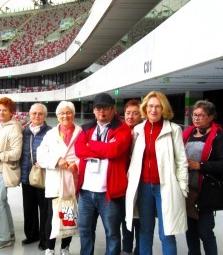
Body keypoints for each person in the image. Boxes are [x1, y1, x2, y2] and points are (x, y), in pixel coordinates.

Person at [125, 91, 188, 255]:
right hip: (144, 187)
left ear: (163, 109)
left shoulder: (174, 130)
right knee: (145, 231)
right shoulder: (138, 130)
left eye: (158, 106)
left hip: (165, 187)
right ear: (145, 108)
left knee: (167, 232)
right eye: (150, 106)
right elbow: (133, 158)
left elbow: (181, 161)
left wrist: (182, 188)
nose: (154, 110)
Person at [75, 93, 132, 255]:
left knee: (112, 233)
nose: (102, 112)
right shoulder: (86, 128)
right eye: (98, 108)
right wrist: (104, 148)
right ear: (93, 110)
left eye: (105, 108)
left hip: (109, 193)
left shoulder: (122, 129)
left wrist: (90, 145)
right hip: (86, 192)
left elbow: (114, 150)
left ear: (113, 109)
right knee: (85, 231)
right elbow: (79, 151)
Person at [183, 100, 223, 255]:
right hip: (187, 190)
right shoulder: (188, 133)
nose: (196, 118)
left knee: (205, 232)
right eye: (195, 115)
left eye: (201, 115)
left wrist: (200, 166)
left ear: (211, 117)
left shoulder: (219, 136)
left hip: (206, 191)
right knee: (190, 232)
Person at [37, 101, 82, 255]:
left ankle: (65, 247)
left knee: (68, 215)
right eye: (62, 113)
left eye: (68, 112)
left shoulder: (81, 132)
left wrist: (76, 164)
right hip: (55, 180)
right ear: (57, 116)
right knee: (52, 215)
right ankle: (50, 248)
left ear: (74, 114)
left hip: (71, 179)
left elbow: (87, 154)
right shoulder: (50, 134)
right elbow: (41, 155)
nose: (65, 116)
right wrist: (57, 160)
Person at [0, 97, 23, 249]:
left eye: (5, 110)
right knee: (2, 201)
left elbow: (16, 152)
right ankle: (9, 232)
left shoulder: (13, 127)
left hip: (3, 170)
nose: (1, 112)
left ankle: (4, 237)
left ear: (11, 112)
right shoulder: (2, 125)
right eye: (0, 110)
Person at [20, 103, 52, 251]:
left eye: (40, 114)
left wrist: (46, 162)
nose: (37, 116)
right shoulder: (24, 131)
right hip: (27, 176)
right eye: (34, 114)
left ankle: (45, 240)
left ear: (45, 116)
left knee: (45, 210)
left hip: (44, 177)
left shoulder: (51, 132)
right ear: (29, 115)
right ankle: (32, 235)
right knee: (29, 208)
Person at [121, 99, 142, 255]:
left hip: (141, 182)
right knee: (126, 217)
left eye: (136, 113)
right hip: (123, 181)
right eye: (128, 113)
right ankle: (126, 248)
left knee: (140, 218)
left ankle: (139, 250)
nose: (131, 117)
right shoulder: (120, 130)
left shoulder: (143, 132)